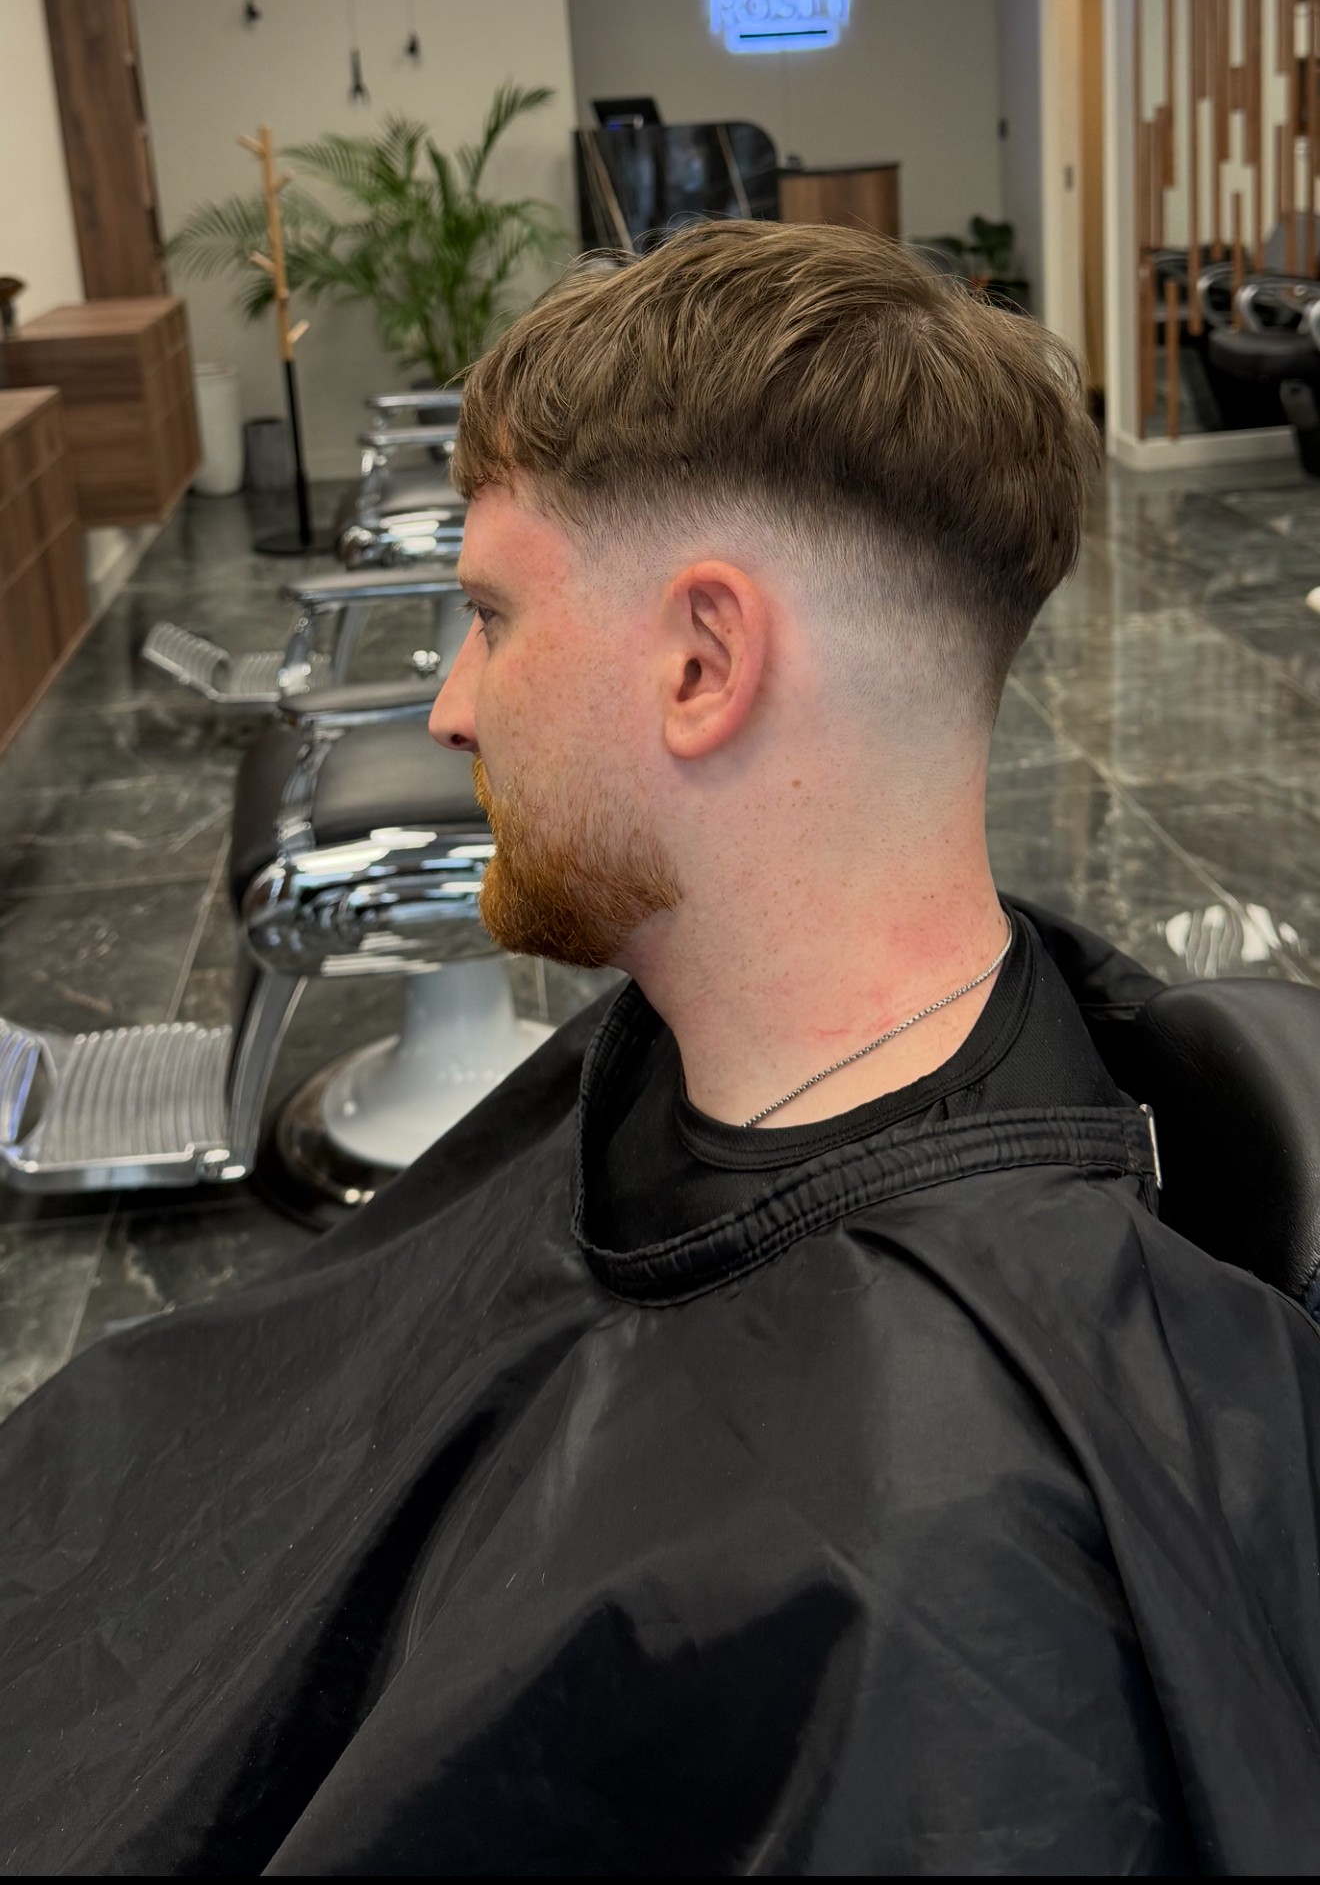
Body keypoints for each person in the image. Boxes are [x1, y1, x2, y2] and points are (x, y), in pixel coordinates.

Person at [3, 220, 1320, 1878]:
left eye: (490, 615)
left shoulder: (948, 1559)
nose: (449, 707)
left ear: (703, 660)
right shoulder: (699, 1049)